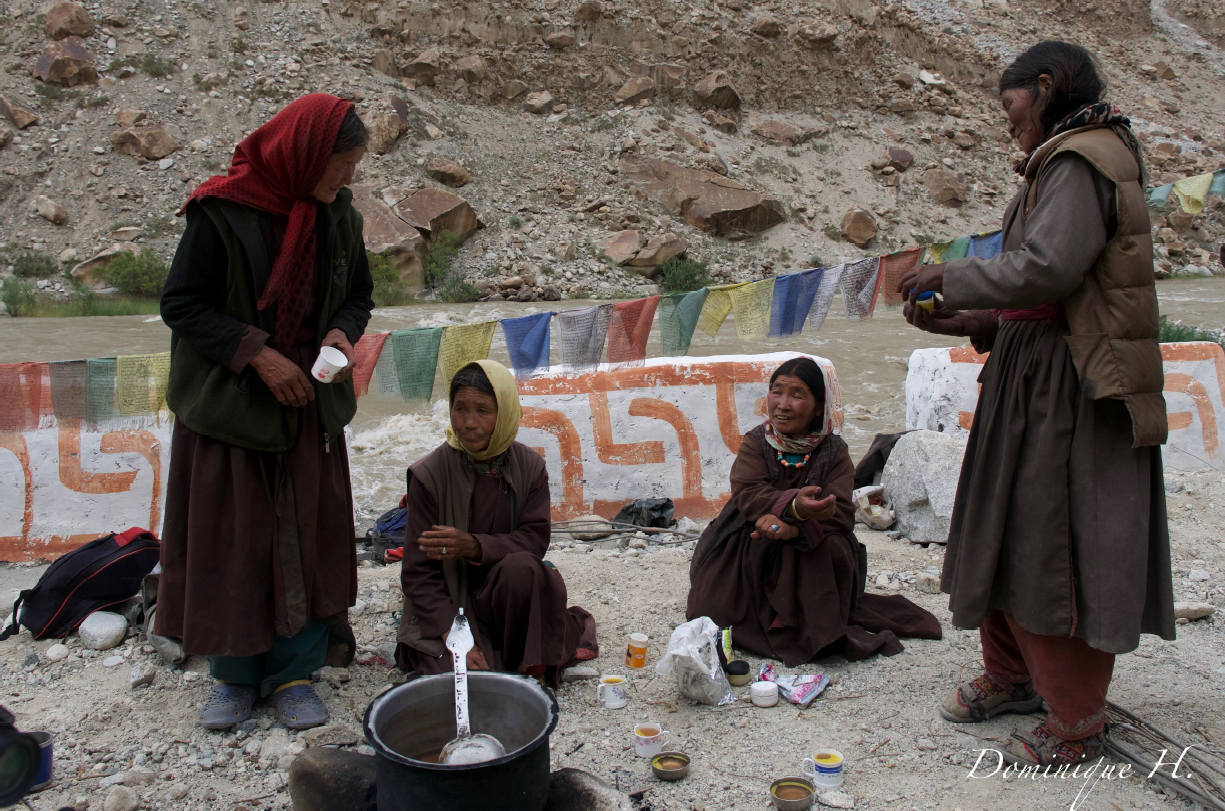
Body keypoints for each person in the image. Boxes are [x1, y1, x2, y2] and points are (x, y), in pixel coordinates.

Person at [897, 41, 1175, 767]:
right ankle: (1013, 676)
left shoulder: (1083, 159)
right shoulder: (1064, 158)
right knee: (1006, 523)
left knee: (1053, 542)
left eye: (1009, 104)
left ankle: (1076, 720)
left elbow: (1049, 266)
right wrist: (968, 322)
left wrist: (951, 277)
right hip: (1032, 374)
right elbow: (1049, 294)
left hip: (1068, 388)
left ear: (1044, 87)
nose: (1005, 123)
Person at [158, 94, 375, 730]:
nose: (346, 179)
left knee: (304, 535)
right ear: (303, 153)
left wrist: (339, 333)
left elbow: (358, 295)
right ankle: (232, 675)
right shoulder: (220, 214)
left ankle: (296, 672)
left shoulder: (339, 217)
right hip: (231, 412)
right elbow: (183, 305)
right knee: (235, 538)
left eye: (352, 167)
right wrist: (257, 354)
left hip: (306, 407)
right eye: (339, 165)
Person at [687, 357, 941, 665]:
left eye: (797, 395)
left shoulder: (835, 452)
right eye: (777, 392)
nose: (783, 404)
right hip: (753, 530)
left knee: (824, 549)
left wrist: (796, 523)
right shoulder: (757, 441)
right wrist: (790, 505)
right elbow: (748, 491)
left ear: (820, 406)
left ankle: (805, 625)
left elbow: (842, 512)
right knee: (712, 605)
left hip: (814, 540)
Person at [396, 360, 598, 685]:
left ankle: (529, 661)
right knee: (464, 677)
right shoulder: (429, 476)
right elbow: (418, 573)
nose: (469, 423)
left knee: (525, 568)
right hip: (451, 596)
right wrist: (452, 631)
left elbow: (534, 540)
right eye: (460, 409)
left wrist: (474, 546)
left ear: (504, 413)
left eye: (483, 411)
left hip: (509, 596)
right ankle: (515, 658)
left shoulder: (530, 467)